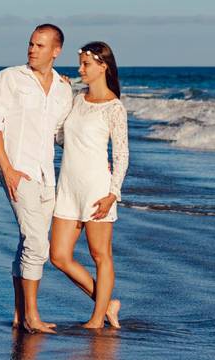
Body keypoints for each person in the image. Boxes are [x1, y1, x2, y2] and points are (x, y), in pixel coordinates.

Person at [0, 24, 73, 333]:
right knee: (36, 243)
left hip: (47, 174)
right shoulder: (9, 78)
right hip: (18, 171)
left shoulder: (63, 88)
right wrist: (7, 168)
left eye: (41, 45)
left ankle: (20, 315)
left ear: (56, 51)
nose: (33, 49)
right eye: (31, 43)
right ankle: (32, 316)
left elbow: (60, 135)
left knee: (27, 243)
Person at [49, 41, 128, 329]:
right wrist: (62, 94)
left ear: (103, 66)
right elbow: (60, 138)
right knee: (58, 256)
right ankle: (108, 305)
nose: (80, 69)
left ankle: (97, 318)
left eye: (86, 64)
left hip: (97, 189)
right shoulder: (77, 99)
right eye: (80, 63)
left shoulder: (114, 108)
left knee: (100, 255)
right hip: (68, 187)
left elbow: (121, 154)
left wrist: (113, 194)